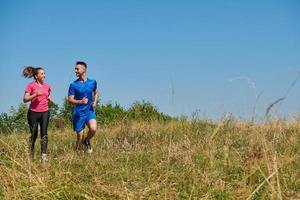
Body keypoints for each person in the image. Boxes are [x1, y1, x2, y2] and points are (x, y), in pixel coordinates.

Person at [23, 66, 55, 161]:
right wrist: (35, 95)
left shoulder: (47, 86)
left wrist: (51, 100)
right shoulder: (31, 85)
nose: (44, 75)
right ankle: (31, 153)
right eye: (42, 74)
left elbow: (48, 96)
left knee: (44, 133)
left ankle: (44, 155)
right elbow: (25, 99)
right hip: (33, 113)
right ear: (36, 76)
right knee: (34, 133)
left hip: (45, 112)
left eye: (44, 73)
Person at [68, 61, 99, 153]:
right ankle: (77, 153)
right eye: (75, 69)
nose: (75, 70)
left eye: (77, 69)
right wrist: (80, 101)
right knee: (79, 137)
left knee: (93, 128)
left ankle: (87, 140)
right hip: (78, 113)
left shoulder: (92, 82)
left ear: (84, 69)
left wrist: (95, 101)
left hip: (89, 111)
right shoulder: (73, 85)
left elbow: (96, 92)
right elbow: (70, 100)